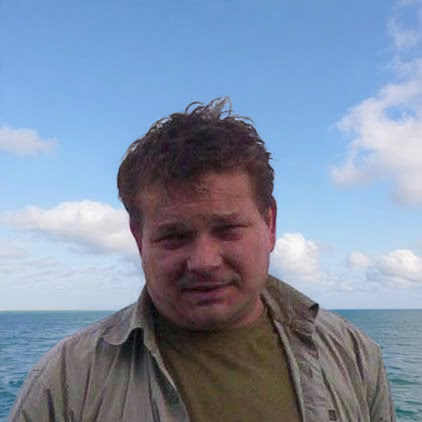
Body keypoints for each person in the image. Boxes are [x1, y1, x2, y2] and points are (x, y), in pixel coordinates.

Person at [9, 98, 396, 421]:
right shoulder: (64, 381)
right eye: (174, 236)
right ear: (139, 238)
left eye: (228, 229)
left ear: (270, 224)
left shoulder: (354, 353)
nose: (204, 261)